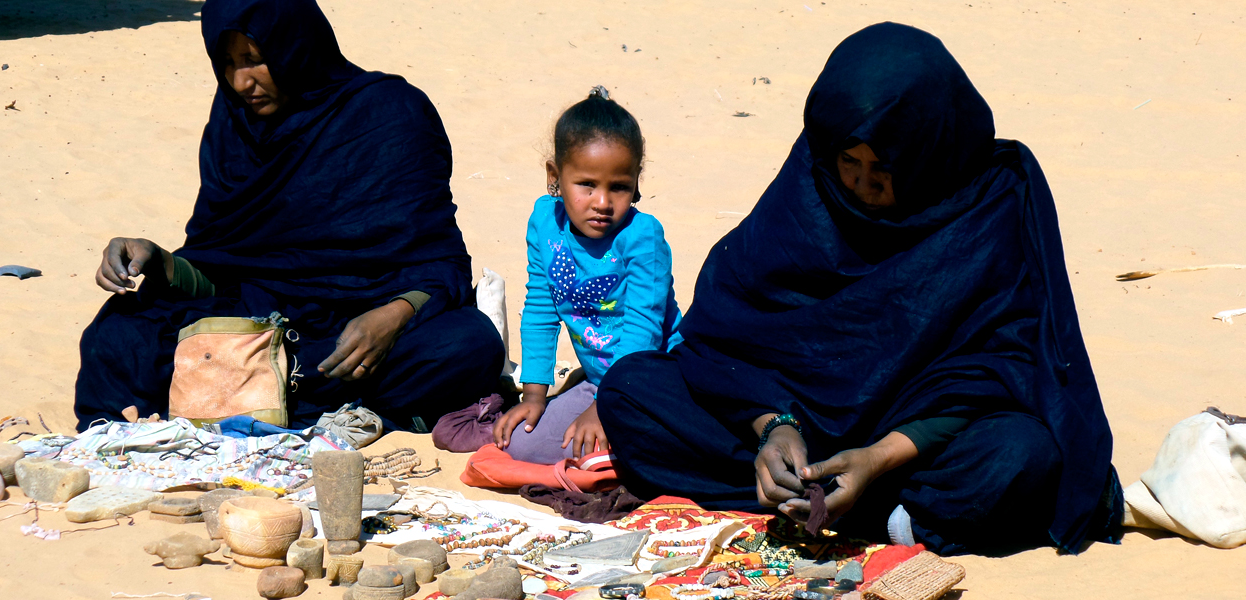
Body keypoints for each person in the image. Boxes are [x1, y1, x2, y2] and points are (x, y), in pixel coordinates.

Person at [597, 23, 1124, 556]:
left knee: (1021, 455)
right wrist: (773, 427)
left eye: (885, 168)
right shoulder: (812, 184)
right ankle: (831, 500)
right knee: (631, 392)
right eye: (850, 162)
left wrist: (876, 459)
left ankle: (863, 505)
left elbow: (1002, 368)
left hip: (910, 447)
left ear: (931, 154)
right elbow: (726, 333)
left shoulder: (989, 206)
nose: (862, 185)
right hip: (794, 425)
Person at [73, 0, 504, 434]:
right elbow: (220, 265)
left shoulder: (391, 115)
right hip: (253, 328)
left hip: (352, 337)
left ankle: (245, 408)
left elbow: (439, 263)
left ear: (296, 47)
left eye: (255, 60)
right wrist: (159, 260)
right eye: (228, 63)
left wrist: (392, 317)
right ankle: (287, 409)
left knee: (469, 344)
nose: (242, 81)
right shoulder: (234, 124)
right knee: (117, 333)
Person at [492, 87, 682, 463]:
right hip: (600, 382)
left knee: (644, 452)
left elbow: (644, 330)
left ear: (636, 183)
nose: (602, 203)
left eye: (620, 187)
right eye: (587, 185)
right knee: (521, 446)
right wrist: (534, 396)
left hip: (654, 380)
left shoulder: (643, 238)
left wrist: (607, 407)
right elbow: (541, 310)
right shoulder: (545, 223)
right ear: (555, 176)